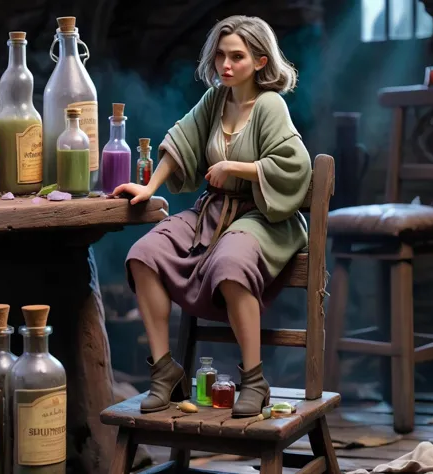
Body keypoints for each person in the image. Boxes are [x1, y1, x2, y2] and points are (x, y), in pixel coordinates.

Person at [112, 15, 312, 417]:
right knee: (144, 254)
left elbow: (296, 166)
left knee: (230, 263)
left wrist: (236, 169)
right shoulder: (216, 99)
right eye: (220, 55)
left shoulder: (270, 105)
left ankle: (254, 379)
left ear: (259, 61)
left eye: (237, 56)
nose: (226, 64)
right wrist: (150, 188)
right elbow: (181, 141)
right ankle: (165, 371)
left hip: (262, 216)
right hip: (212, 211)